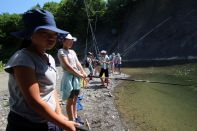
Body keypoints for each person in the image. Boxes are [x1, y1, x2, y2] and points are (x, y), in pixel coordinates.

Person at [4, 9, 79, 131]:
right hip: (26, 124)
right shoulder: (23, 59)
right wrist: (63, 123)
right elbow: (34, 101)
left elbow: (51, 89)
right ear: (30, 34)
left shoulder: (49, 58)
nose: (52, 37)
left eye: (54, 33)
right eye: (45, 32)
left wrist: (58, 114)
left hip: (48, 119)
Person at [57, 33, 87, 124]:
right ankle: (71, 121)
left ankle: (76, 116)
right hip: (69, 78)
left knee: (75, 99)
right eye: (69, 41)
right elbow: (67, 66)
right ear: (63, 41)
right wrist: (79, 74)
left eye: (72, 41)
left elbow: (78, 63)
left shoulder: (73, 52)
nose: (71, 42)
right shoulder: (61, 51)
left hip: (76, 77)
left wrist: (83, 72)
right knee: (70, 101)